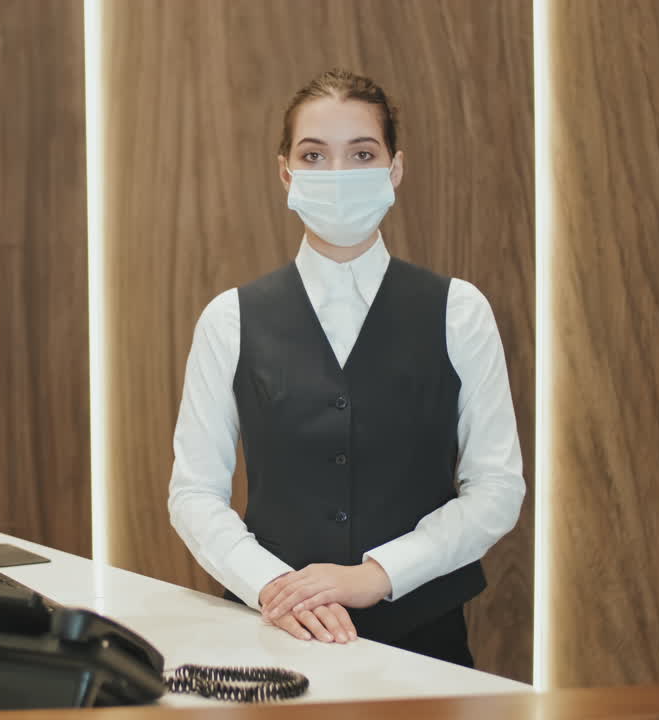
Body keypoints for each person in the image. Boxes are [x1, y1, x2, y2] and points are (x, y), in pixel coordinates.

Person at [167, 68, 525, 667]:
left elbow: (496, 489)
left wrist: (378, 575)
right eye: (314, 154)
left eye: (362, 153)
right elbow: (194, 493)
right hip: (270, 638)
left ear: (395, 169)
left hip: (425, 643)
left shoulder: (459, 311)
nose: (338, 174)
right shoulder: (228, 319)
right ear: (286, 172)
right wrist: (274, 588)